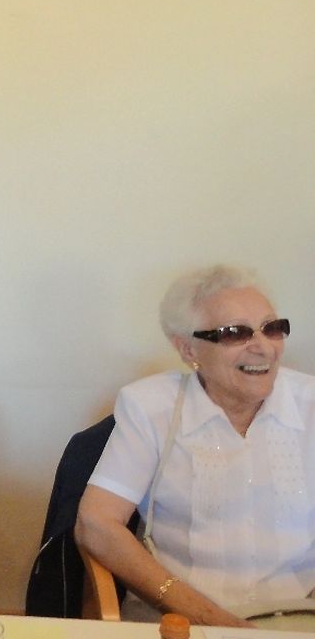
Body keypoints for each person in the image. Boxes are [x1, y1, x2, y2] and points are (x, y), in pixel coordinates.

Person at [76, 265, 315, 630]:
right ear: (188, 349)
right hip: (181, 620)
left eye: (272, 328)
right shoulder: (151, 408)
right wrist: (211, 619)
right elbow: (96, 523)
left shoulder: (310, 404)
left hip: (300, 617)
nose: (263, 346)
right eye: (235, 333)